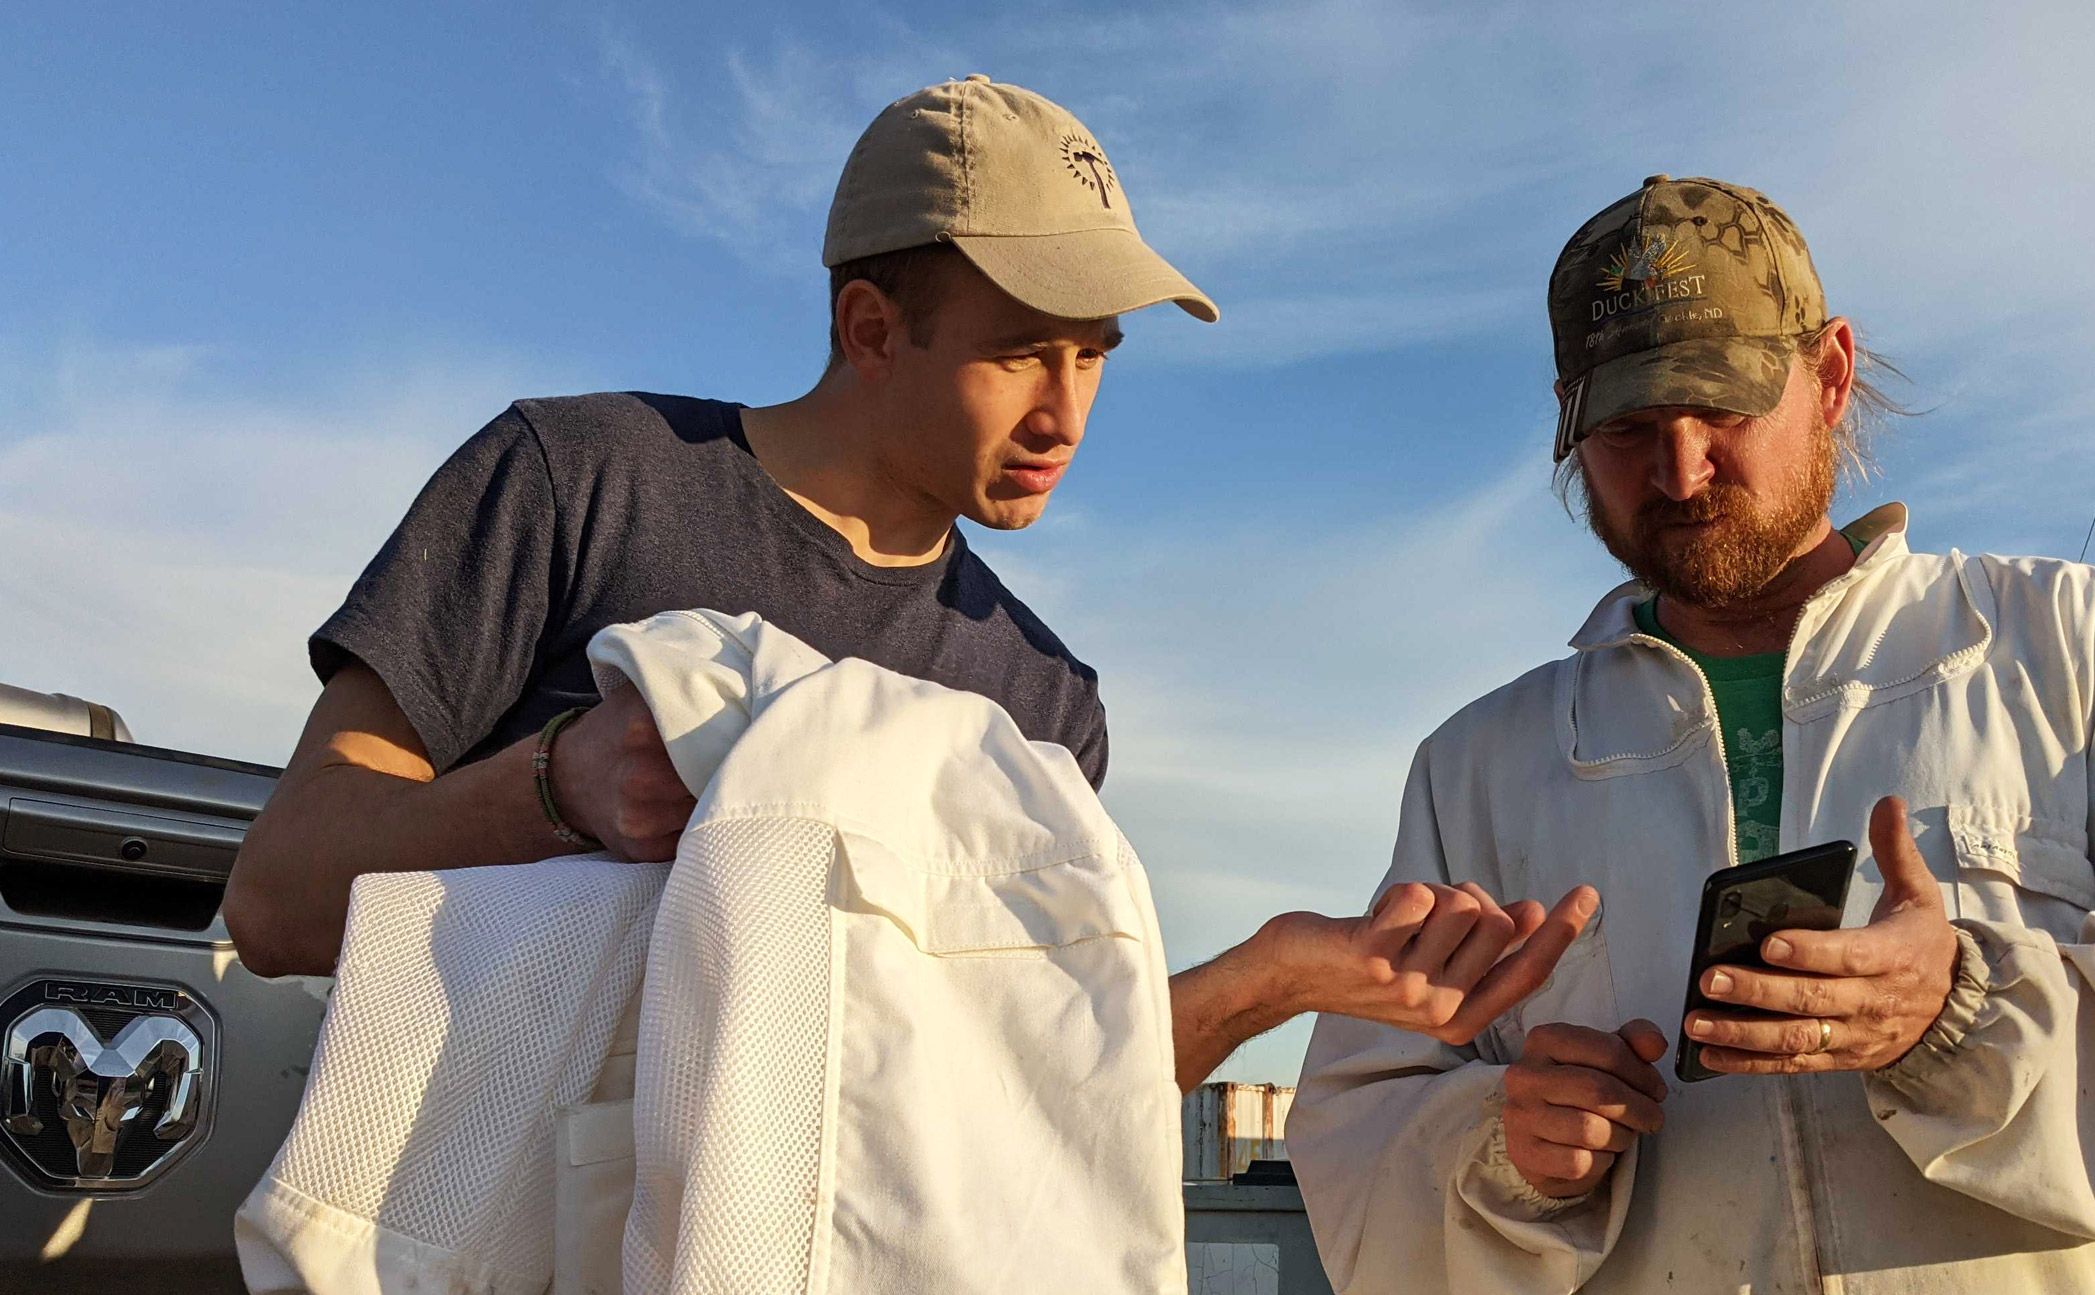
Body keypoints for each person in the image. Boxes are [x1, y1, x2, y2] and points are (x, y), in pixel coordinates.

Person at [1285, 175, 2095, 1295]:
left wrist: (1965, 1009)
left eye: (1720, 404)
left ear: (1828, 375)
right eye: (1626, 425)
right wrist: (1499, 1149)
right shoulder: (1482, 766)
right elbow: (1358, 1158)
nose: (1679, 466)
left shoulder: (2064, 652)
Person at [224, 76, 1591, 1090]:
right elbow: (278, 901)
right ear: (869, 329)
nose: (1069, 410)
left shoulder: (1042, 699)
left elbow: (1026, 1086)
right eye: (1023, 351)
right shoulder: (580, 480)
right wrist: (555, 784)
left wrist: (1272, 980)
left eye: (1097, 355)